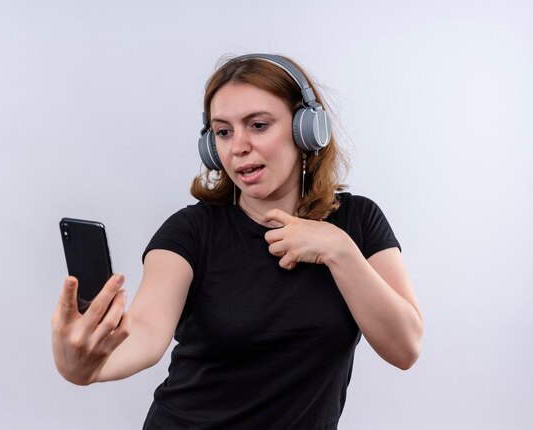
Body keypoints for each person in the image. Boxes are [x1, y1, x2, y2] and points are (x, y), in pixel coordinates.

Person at [51, 53, 424, 429]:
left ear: (306, 130)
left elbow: (405, 347)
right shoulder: (191, 231)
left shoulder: (357, 222)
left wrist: (338, 249)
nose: (238, 146)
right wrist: (88, 366)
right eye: (223, 132)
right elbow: (147, 331)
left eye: (258, 125)